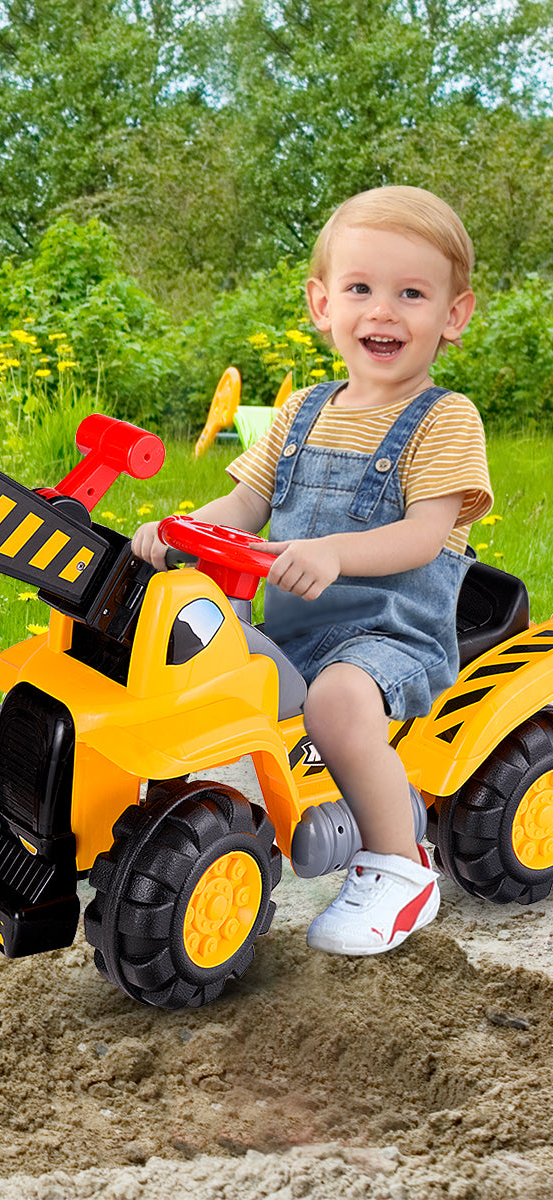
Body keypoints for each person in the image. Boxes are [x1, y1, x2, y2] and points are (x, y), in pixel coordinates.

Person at [132, 185, 492, 956]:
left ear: (453, 315)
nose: (383, 312)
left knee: (334, 704)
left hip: (391, 638)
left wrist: (332, 553)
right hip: (295, 629)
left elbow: (427, 535)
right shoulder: (300, 414)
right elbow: (243, 502)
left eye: (412, 294)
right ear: (322, 303)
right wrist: (178, 530)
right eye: (361, 289)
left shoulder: (447, 418)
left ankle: (401, 868)